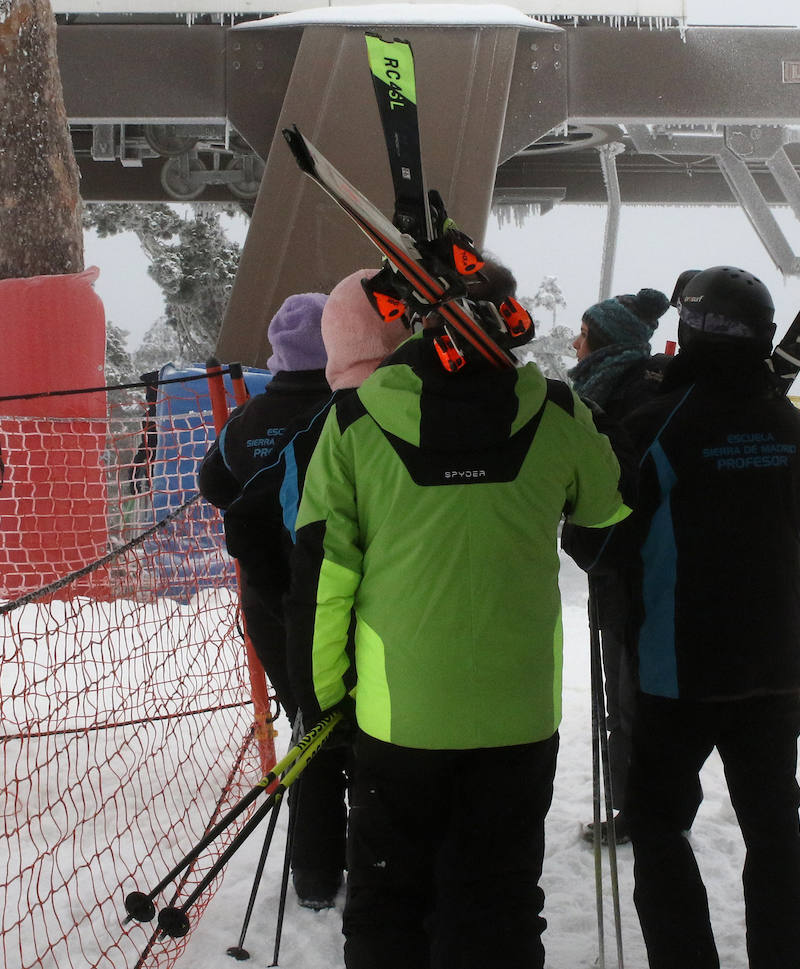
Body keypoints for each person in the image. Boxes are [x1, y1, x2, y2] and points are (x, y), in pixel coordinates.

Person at [286, 265, 630, 968]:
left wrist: (323, 696)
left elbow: (325, 580)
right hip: (518, 713)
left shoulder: (354, 420)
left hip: (399, 718)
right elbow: (604, 517)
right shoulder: (561, 412)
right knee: (500, 902)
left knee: (389, 906)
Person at [570, 265, 800, 969]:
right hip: (771, 665)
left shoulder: (657, 424)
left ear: (689, 331)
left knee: (659, 826)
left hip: (678, 669)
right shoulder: (791, 425)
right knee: (774, 829)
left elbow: (603, 541)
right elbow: (789, 523)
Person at [198, 281, 406, 909]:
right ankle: (380, 866)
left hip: (270, 604)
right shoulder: (359, 413)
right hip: (347, 598)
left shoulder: (248, 420)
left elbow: (215, 485)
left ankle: (315, 876)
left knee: (308, 729)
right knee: (371, 733)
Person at [565, 286, 672, 846]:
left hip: (623, 560)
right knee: (634, 685)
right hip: (640, 559)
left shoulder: (610, 395)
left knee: (626, 686)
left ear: (603, 341)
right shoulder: (643, 381)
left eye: (583, 334)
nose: (576, 343)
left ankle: (634, 810)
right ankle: (643, 805)